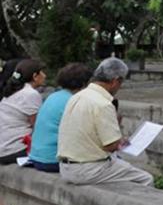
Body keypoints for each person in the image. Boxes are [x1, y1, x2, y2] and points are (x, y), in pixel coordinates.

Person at [57, 57, 153, 186]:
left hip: (66, 167)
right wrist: (120, 140)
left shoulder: (77, 97)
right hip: (88, 170)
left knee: (120, 165)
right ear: (116, 81)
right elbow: (110, 146)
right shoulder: (103, 104)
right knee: (145, 178)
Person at [29, 63, 94, 172]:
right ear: (84, 84)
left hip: (37, 157)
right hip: (53, 160)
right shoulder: (74, 101)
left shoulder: (53, 96)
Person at [0, 59, 45, 164]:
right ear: (35, 76)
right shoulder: (30, 94)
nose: (45, 75)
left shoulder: (10, 92)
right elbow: (38, 127)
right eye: (42, 72)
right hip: (15, 150)